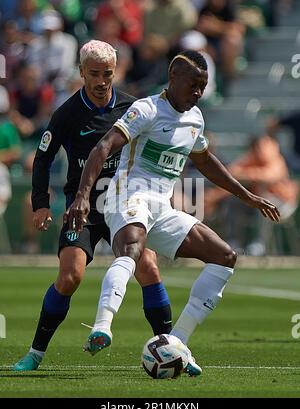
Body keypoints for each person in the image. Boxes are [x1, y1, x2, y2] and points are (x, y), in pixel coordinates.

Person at [66, 49, 280, 376]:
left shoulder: (195, 119)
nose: (198, 92)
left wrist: (246, 195)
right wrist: (82, 196)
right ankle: (102, 326)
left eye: (203, 86)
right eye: (193, 84)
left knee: (225, 257)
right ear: (173, 78)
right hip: (128, 196)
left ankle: (176, 342)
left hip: (162, 208)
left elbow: (206, 161)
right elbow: (104, 146)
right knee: (133, 251)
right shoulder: (147, 110)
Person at [13, 40, 173, 372]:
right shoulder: (67, 113)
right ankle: (35, 353)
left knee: (149, 270)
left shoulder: (133, 108)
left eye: (108, 74)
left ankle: (173, 350)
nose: (102, 82)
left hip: (126, 205)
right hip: (81, 207)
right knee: (70, 277)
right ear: (82, 73)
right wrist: (41, 204)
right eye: (95, 74)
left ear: (116, 72)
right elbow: (43, 159)